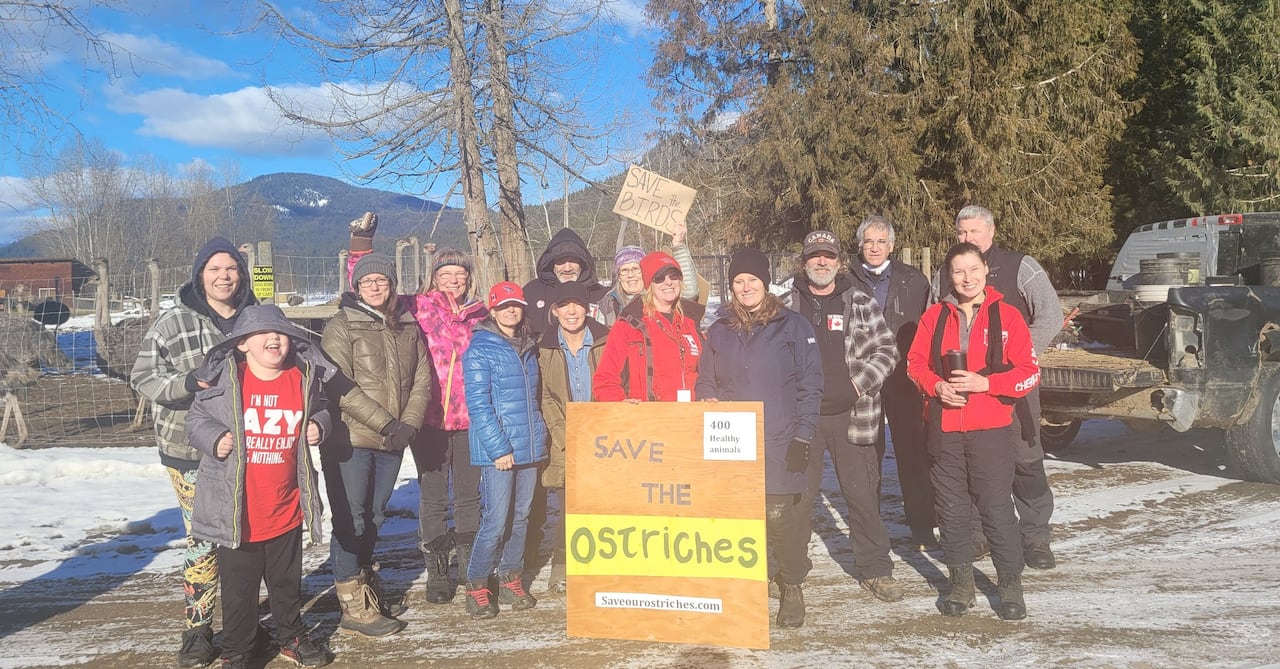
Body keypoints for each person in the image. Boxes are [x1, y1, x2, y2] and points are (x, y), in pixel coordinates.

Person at [344, 214, 487, 604]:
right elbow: (370, 285)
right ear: (434, 278)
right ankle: (438, 568)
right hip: (428, 419)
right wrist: (361, 242)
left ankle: (472, 566)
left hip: (471, 420)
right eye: (446, 274)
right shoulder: (418, 307)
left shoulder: (481, 316)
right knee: (435, 495)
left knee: (470, 495)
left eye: (460, 274)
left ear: (469, 279)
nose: (454, 280)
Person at [131, 236, 258, 668]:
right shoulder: (174, 323)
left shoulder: (255, 319)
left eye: (231, 268)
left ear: (241, 272)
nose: (224, 277)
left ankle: (244, 626)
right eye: (214, 269)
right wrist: (188, 383)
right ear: (199, 275)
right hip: (189, 449)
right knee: (204, 539)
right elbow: (144, 377)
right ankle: (198, 630)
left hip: (251, 444)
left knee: (245, 537)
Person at [185, 305, 334, 668]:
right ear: (242, 344)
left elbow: (323, 407)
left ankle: (291, 637)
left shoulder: (302, 378)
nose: (274, 339)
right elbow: (195, 418)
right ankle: (237, 650)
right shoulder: (227, 381)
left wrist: (319, 423)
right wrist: (214, 436)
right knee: (239, 592)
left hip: (286, 507)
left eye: (281, 333)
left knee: (286, 585)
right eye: (263, 333)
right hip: (238, 514)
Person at [907, 242, 1040, 620]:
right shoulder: (934, 316)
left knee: (997, 509)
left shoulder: (1008, 316)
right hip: (944, 428)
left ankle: (1010, 584)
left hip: (992, 428)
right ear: (949, 276)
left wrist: (988, 385)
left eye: (973, 269)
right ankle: (961, 584)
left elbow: (1029, 372)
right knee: (951, 510)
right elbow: (915, 363)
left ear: (985, 270)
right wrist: (936, 387)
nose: (967, 278)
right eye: (958, 271)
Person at [696, 248, 823, 628]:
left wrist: (804, 434)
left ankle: (792, 583)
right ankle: (758, 576)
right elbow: (706, 377)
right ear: (731, 287)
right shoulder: (719, 330)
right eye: (738, 281)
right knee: (743, 518)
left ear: (765, 284)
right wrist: (707, 398)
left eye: (752, 279)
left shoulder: (793, 325)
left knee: (781, 516)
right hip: (734, 441)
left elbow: (811, 383)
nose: (746, 287)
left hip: (781, 438)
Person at [935, 205, 1062, 569]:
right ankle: (978, 535)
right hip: (965, 388)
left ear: (991, 231)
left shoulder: (1021, 266)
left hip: (1012, 385)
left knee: (1025, 459)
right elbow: (936, 323)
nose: (967, 239)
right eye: (961, 232)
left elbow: (1050, 316)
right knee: (974, 461)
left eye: (974, 232)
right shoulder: (948, 271)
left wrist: (1018, 357)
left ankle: (1036, 536)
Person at [786, 230, 903, 603]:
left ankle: (875, 569)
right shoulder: (785, 305)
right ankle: (790, 571)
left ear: (839, 261)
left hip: (852, 414)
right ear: (803, 262)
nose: (821, 262)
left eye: (828, 256)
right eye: (814, 256)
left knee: (862, 496)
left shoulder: (861, 302)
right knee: (797, 498)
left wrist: (856, 386)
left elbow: (887, 351)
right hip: (800, 420)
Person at [321, 252, 432, 637]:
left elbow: (422, 377)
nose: (374, 287)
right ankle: (352, 604)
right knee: (351, 517)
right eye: (367, 282)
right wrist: (386, 422)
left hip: (393, 439)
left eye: (381, 281)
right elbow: (339, 386)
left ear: (391, 285)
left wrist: (410, 423)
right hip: (352, 437)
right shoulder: (341, 325)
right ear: (357, 287)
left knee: (375, 515)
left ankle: (363, 583)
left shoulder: (406, 324)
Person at [461, 281, 548, 618]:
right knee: (496, 521)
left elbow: (532, 400)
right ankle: (477, 584)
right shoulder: (480, 349)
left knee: (522, 516)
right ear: (492, 311)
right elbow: (479, 405)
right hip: (501, 450)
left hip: (529, 447)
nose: (511, 310)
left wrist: (538, 436)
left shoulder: (528, 346)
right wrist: (498, 447)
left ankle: (511, 576)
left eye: (516, 305)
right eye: (504, 306)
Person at [848, 216, 935, 549]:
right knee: (868, 453)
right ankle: (872, 528)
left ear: (892, 246)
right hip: (863, 377)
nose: (874, 247)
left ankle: (923, 526)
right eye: (869, 241)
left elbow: (927, 327)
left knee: (911, 451)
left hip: (903, 377)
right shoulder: (846, 281)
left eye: (881, 242)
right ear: (860, 245)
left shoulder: (914, 281)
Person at [527, 281, 611, 593]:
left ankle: (602, 563)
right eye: (564, 305)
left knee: (603, 501)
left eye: (577, 304)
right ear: (555, 311)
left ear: (587, 307)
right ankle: (562, 566)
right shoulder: (545, 348)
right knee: (568, 505)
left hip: (604, 434)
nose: (571, 311)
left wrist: (600, 428)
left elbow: (617, 381)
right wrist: (567, 435)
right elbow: (546, 397)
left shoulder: (605, 340)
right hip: (565, 436)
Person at [593, 251, 705, 402]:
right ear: (649, 284)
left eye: (673, 276)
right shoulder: (628, 325)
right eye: (659, 278)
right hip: (647, 418)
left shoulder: (690, 323)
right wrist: (620, 406)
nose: (668, 282)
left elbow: (710, 375)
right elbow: (605, 380)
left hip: (690, 417)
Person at [595, 222, 700, 327]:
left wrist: (678, 245)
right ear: (618, 276)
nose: (630, 275)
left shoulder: (659, 298)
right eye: (624, 270)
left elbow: (689, 293)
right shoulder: (607, 303)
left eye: (635, 269)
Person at [523, 228, 608, 337]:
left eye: (573, 261)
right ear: (552, 264)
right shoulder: (532, 292)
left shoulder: (601, 295)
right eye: (561, 262)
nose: (567, 268)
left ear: (582, 263)